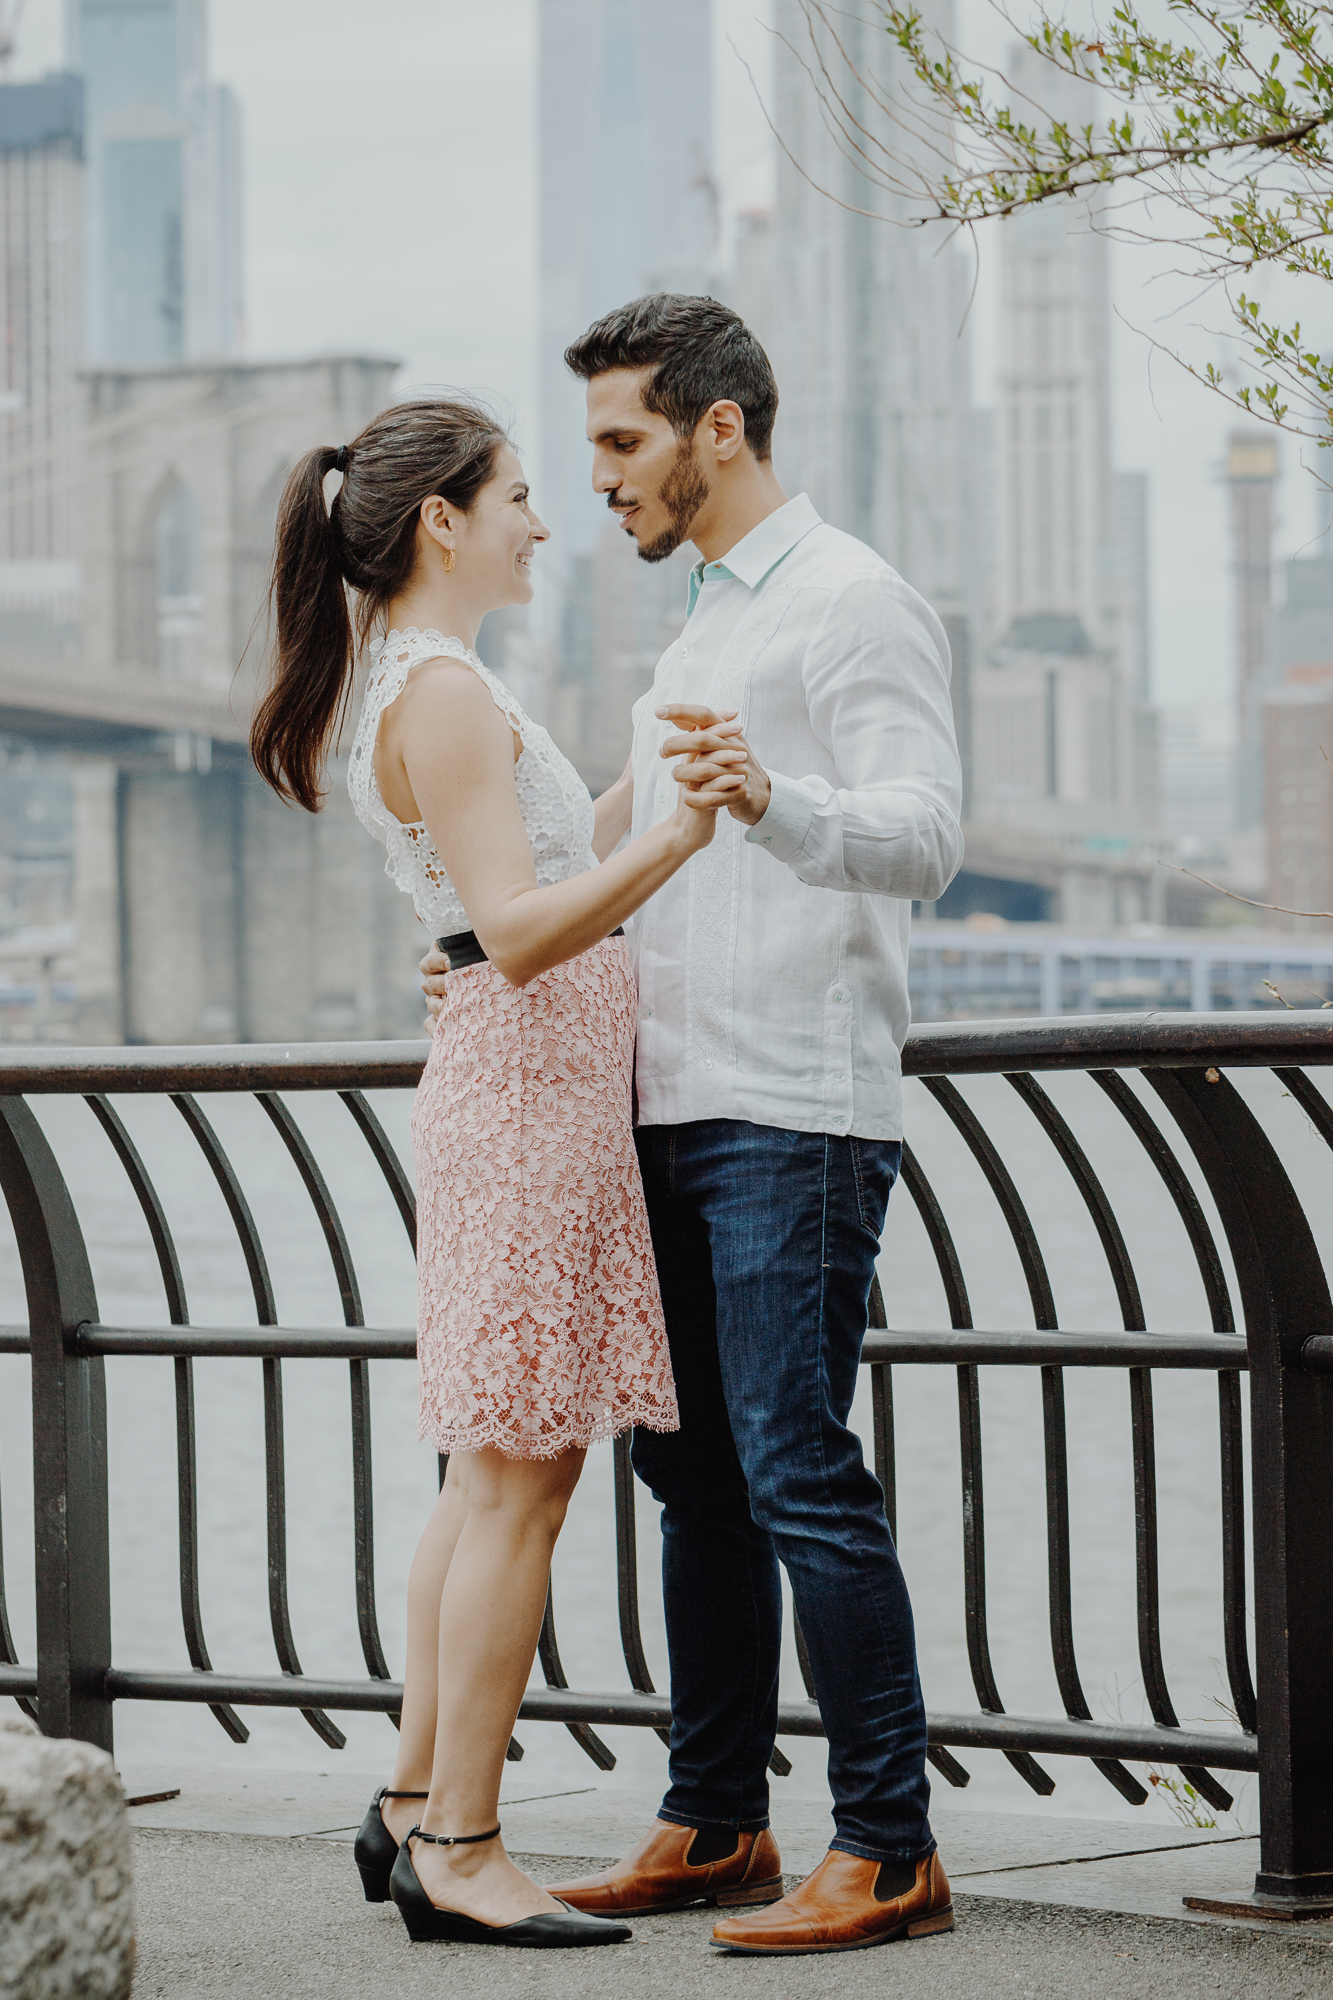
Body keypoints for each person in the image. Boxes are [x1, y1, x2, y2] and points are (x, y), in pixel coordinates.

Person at [422, 296, 965, 1957]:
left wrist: (775, 803)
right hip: (666, 1096)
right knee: (693, 1480)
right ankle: (716, 1817)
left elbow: (929, 837)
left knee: (799, 1470)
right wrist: (472, 944)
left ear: (717, 429)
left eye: (621, 441)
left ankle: (885, 1846)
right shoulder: (700, 628)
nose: (597, 477)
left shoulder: (850, 601)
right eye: (585, 446)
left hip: (790, 1108)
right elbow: (628, 849)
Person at [248, 397, 742, 1951]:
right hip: (526, 1103)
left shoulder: (431, 681)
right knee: (521, 1480)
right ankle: (464, 1847)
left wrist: (647, 800)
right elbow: (520, 938)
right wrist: (681, 846)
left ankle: (410, 1806)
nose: (544, 517)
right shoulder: (443, 691)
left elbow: (501, 895)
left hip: (524, 1098)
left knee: (489, 1475)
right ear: (442, 521)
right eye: (522, 494)